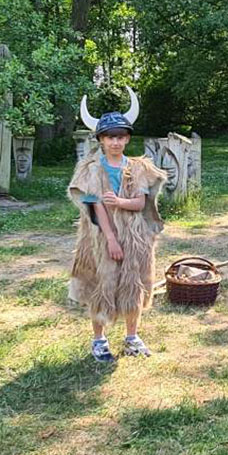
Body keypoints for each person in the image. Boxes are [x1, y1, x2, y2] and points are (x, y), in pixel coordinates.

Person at [68, 87, 167, 362]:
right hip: (99, 237)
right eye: (110, 137)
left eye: (121, 136)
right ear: (101, 139)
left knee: (134, 283)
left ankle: (132, 337)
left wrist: (120, 202)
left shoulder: (138, 168)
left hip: (135, 237)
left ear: (127, 138)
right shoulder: (91, 169)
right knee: (100, 283)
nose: (115, 142)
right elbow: (95, 206)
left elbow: (140, 203)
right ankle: (99, 340)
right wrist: (111, 239)